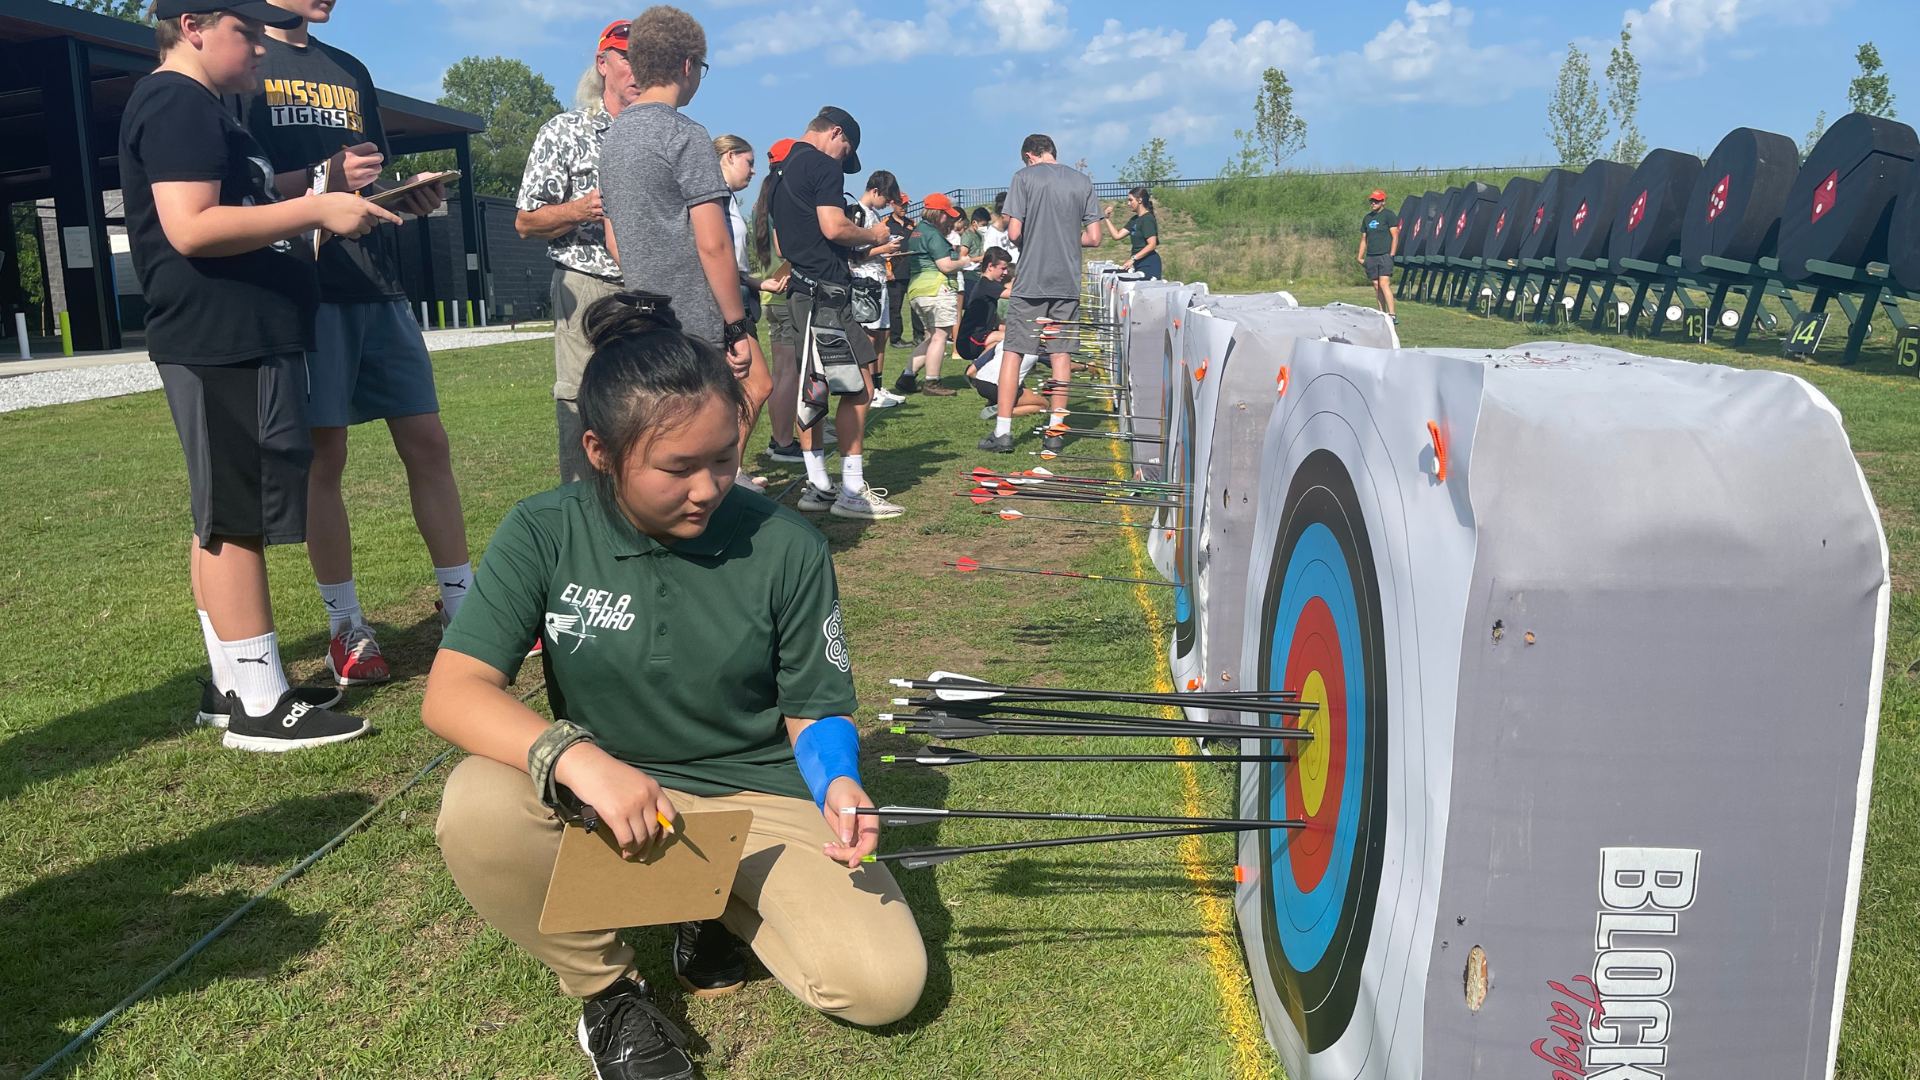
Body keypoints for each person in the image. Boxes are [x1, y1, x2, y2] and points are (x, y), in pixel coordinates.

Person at [426, 292, 926, 1080]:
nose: (709, 487)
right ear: (599, 450)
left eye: (724, 457)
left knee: (883, 986)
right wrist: (579, 760)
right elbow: (452, 693)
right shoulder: (543, 529)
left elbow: (815, 707)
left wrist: (838, 782)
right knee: (476, 806)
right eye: (677, 467)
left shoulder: (786, 544)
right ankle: (611, 996)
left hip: (759, 800)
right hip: (612, 802)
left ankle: (712, 899)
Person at [127, 0, 398, 747]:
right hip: (220, 334)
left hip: (242, 332)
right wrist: (315, 212)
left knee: (222, 510)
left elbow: (246, 203)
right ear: (193, 27)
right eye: (244, 34)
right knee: (239, 518)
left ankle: (231, 684)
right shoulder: (176, 100)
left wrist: (334, 202)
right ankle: (259, 701)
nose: (257, 51)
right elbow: (192, 225)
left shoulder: (208, 109)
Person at [237, 0, 470, 688]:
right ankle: (346, 626)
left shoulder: (350, 71)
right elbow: (243, 189)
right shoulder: (246, 59)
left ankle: (464, 607)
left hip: (378, 283)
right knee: (325, 457)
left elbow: (365, 183)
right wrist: (319, 184)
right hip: (306, 287)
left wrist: (404, 198)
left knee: (428, 440)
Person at [597, 6, 757, 390]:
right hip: (696, 324)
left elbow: (613, 238)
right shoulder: (685, 134)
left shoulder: (612, 140)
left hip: (643, 320)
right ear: (688, 65)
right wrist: (735, 325)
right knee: (709, 436)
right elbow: (714, 244)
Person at [767, 106, 904, 521]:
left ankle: (818, 485)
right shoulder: (824, 166)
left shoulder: (779, 172)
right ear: (837, 135)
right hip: (827, 296)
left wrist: (851, 249)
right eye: (847, 151)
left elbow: (780, 245)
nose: (844, 160)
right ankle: (849, 489)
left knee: (815, 388)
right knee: (861, 387)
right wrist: (874, 234)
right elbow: (832, 226)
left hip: (801, 292)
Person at [517, 20, 638, 486]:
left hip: (650, 285)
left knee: (648, 397)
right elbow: (526, 221)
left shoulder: (659, 133)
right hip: (587, 283)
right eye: (626, 57)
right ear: (602, 63)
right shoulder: (566, 132)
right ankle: (582, 508)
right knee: (582, 399)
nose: (636, 69)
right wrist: (579, 209)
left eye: (644, 59)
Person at [979, 133, 1101, 455]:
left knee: (1015, 351)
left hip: (1032, 280)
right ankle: (1056, 432)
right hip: (1066, 282)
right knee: (1061, 354)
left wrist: (1033, 239)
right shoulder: (1082, 181)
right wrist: (1064, 237)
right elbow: (1095, 237)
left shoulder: (1023, 177)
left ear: (1030, 155)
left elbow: (1015, 231)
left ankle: (1003, 433)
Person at [714, 133, 783, 488]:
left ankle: (728, 470)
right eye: (749, 162)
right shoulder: (713, 200)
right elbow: (714, 257)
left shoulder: (727, 201)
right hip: (727, 307)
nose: (754, 171)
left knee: (742, 390)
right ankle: (729, 472)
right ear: (727, 157)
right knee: (759, 385)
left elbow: (734, 264)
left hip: (740, 298)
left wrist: (759, 283)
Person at [752, 139, 803, 462]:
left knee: (783, 371)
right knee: (788, 373)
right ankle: (782, 442)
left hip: (771, 293)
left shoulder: (763, 197)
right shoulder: (784, 194)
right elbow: (785, 248)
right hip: (785, 293)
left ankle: (781, 438)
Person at [958, 249, 1043, 418]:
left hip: (980, 336)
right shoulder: (985, 283)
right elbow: (1014, 295)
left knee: (1009, 339)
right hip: (969, 340)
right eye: (1003, 268)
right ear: (990, 266)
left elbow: (995, 318)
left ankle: (996, 394)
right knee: (1012, 339)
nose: (1005, 273)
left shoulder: (988, 286)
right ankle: (974, 370)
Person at [902, 193, 966, 397]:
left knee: (931, 338)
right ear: (938, 214)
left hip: (917, 289)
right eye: (947, 215)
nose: (950, 220)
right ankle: (933, 381)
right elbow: (946, 266)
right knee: (940, 337)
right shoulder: (933, 235)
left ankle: (907, 376)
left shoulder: (917, 231)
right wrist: (963, 263)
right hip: (937, 288)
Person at [851, 171, 906, 408]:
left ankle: (879, 386)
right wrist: (883, 248)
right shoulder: (856, 212)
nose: (887, 205)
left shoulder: (873, 214)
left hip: (879, 278)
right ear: (875, 191)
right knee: (870, 337)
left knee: (881, 335)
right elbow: (853, 255)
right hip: (865, 281)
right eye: (886, 199)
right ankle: (868, 389)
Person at [1102, 186, 1161, 279]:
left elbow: (1152, 244)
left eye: (1130, 200)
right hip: (1139, 263)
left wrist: (1133, 259)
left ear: (1140, 200)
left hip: (1149, 264)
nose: (1128, 203)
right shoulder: (1134, 220)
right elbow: (1117, 236)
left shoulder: (1147, 219)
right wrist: (1107, 218)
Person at [1359, 189, 1399, 323]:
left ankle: (1392, 314)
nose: (1373, 203)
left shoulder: (1389, 215)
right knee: (1376, 285)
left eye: (1376, 201)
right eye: (1372, 200)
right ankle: (1382, 314)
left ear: (1383, 202)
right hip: (1371, 256)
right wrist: (1359, 257)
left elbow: (1395, 236)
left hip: (1384, 255)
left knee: (1383, 284)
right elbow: (1364, 239)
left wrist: (1391, 254)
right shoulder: (1367, 218)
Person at [884, 193, 911, 348]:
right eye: (901, 204)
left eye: (906, 204)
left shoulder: (912, 224)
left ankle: (919, 336)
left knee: (915, 307)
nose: (904, 207)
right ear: (892, 204)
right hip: (895, 272)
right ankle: (895, 339)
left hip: (911, 270)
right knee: (895, 307)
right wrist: (888, 271)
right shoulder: (886, 224)